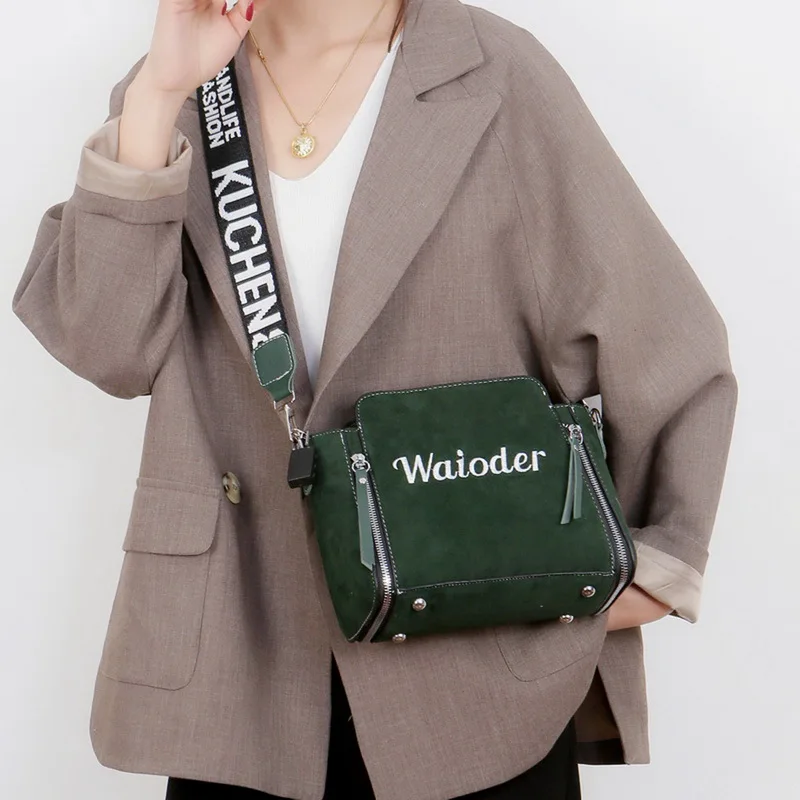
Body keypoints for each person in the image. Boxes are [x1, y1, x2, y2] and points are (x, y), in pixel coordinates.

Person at [11, 1, 738, 798]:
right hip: (243, 667)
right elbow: (108, 349)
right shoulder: (180, 86)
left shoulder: (496, 73)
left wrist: (636, 572)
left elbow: (669, 342)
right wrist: (156, 94)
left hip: (469, 683)